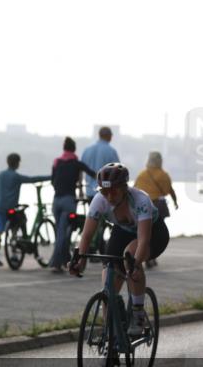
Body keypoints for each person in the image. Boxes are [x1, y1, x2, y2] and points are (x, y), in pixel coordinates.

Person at [71, 163, 169, 336]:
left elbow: (144, 239)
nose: (109, 196)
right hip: (123, 231)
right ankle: (110, 329)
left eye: (114, 191)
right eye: (104, 191)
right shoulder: (99, 201)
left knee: (130, 258)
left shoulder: (140, 200)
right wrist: (81, 260)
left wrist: (135, 266)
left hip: (153, 233)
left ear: (124, 188)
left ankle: (138, 314)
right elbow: (86, 236)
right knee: (109, 270)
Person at [0, 153, 50, 267]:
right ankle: (14, 255)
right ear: (17, 163)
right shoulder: (16, 177)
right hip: (11, 208)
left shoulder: (1, 175)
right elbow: (33, 179)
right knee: (17, 227)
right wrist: (51, 177)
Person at [49, 137, 96, 272]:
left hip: (56, 200)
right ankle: (57, 263)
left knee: (60, 232)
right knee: (63, 234)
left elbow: (53, 181)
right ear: (74, 149)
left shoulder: (56, 162)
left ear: (64, 148)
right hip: (69, 201)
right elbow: (92, 174)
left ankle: (64, 260)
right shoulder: (77, 163)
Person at [133, 152, 178, 268]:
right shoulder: (163, 175)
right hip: (157, 205)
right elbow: (169, 190)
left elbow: (134, 189)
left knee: (143, 233)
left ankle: (143, 255)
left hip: (142, 207)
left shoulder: (142, 174)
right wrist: (175, 202)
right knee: (155, 233)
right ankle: (150, 257)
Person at [81, 126, 120, 198]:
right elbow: (118, 172)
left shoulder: (87, 150)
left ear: (99, 135)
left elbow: (80, 170)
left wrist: (80, 191)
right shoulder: (111, 151)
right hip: (106, 193)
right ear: (109, 136)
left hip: (89, 192)